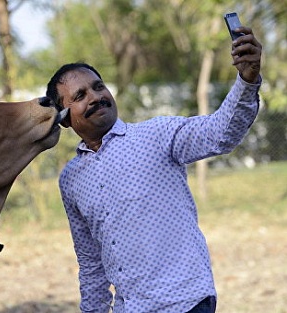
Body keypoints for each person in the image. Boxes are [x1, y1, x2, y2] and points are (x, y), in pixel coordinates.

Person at [45, 25, 262, 313]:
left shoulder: (157, 135)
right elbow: (91, 262)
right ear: (64, 119)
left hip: (186, 302)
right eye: (80, 95)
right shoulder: (71, 179)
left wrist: (247, 80)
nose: (95, 96)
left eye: (99, 86)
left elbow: (220, 133)